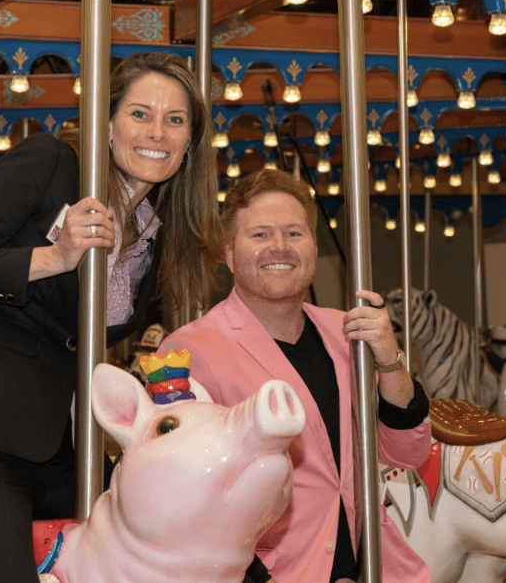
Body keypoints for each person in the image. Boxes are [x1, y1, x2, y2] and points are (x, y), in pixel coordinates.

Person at [0, 52, 221, 583]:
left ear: (190, 142)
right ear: (108, 122)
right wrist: (52, 258)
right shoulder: (51, 163)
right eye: (140, 114)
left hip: (69, 454)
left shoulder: (161, 231)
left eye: (175, 120)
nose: (157, 133)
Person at [159, 169, 431, 583]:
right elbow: (187, 498)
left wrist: (389, 359)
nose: (279, 247)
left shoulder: (346, 333)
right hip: (275, 572)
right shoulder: (192, 349)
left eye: (294, 233)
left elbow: (406, 455)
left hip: (371, 562)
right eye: (260, 235)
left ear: (313, 246)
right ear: (229, 253)